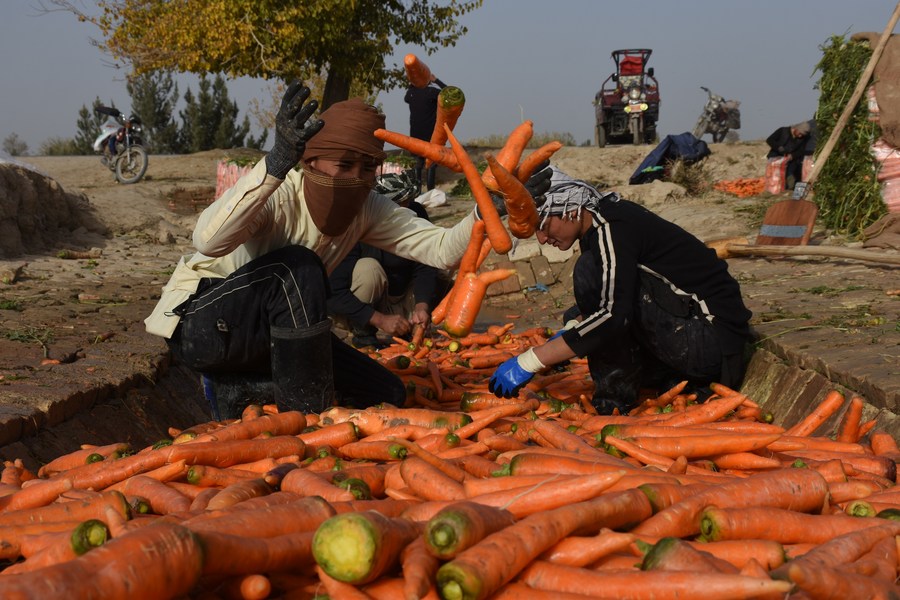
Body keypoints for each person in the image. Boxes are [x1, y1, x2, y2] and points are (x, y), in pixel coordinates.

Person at [144, 81, 480, 419]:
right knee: (298, 266)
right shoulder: (279, 195)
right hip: (203, 326)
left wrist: (485, 210)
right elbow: (208, 240)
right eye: (344, 165)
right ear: (311, 162)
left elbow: (441, 250)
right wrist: (275, 163)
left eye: (367, 167)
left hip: (272, 337)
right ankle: (303, 420)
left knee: (385, 392)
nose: (356, 178)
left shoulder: (369, 207)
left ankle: (245, 388)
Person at [488, 167, 753, 415]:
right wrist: (569, 332)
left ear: (570, 209)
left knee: (590, 274)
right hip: (700, 339)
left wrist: (531, 361)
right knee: (580, 312)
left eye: (543, 227)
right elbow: (616, 291)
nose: (543, 239)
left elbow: (614, 316)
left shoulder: (610, 228)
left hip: (709, 341)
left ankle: (612, 405)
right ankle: (666, 379)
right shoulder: (605, 222)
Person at [327, 171, 451, 348]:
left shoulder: (415, 213)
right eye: (400, 207)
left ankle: (413, 328)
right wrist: (379, 319)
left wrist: (422, 305)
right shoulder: (355, 223)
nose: (406, 212)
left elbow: (425, 263)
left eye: (408, 204)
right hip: (361, 305)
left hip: (399, 297)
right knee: (368, 268)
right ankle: (363, 333)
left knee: (444, 273)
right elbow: (334, 290)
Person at [404, 73, 446, 191]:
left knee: (418, 164)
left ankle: (417, 192)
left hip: (415, 136)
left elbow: (406, 98)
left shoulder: (411, 94)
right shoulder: (432, 92)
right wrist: (436, 80)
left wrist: (412, 84)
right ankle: (430, 192)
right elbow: (449, 92)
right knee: (431, 165)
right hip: (431, 136)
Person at [766, 119, 817, 190]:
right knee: (775, 178)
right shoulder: (782, 131)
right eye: (800, 133)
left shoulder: (802, 138)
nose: (800, 135)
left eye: (802, 135)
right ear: (795, 129)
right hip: (775, 158)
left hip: (790, 161)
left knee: (790, 176)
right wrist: (779, 148)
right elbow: (769, 140)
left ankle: (788, 190)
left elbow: (801, 150)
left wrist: (792, 156)